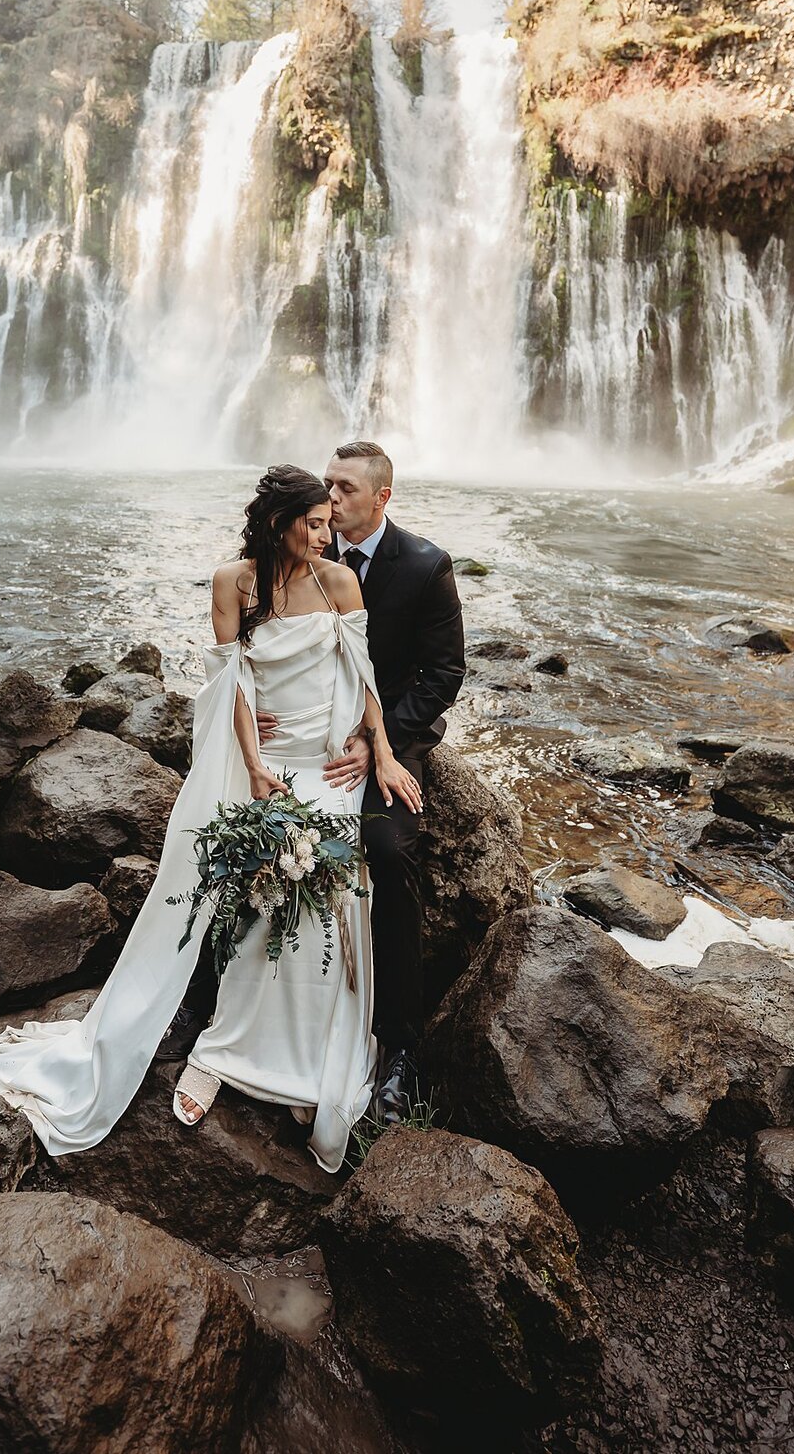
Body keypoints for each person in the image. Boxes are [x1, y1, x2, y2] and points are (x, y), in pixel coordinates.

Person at [0, 465, 421, 1175]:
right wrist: (254, 764)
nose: (326, 534)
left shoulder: (338, 583)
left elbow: (364, 679)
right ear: (279, 525)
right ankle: (226, 1049)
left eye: (329, 522)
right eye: (313, 523)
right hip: (269, 759)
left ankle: (304, 1064)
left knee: (329, 886)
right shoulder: (232, 584)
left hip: (329, 760)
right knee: (258, 875)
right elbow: (232, 684)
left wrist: (382, 753)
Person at [313, 440, 465, 1124]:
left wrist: (381, 743)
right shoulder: (309, 558)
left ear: (382, 497)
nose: (331, 498)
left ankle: (398, 1046)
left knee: (388, 849)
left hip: (395, 738)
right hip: (316, 730)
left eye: (344, 487)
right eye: (326, 486)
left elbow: (443, 675)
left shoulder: (427, 566)